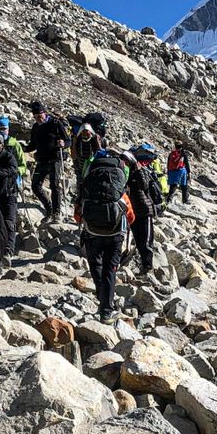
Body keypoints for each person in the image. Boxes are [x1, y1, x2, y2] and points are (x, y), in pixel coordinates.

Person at [75, 144, 137, 320]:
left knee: (95, 265)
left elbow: (77, 216)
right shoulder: (120, 192)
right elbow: (131, 217)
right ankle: (106, 311)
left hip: (92, 233)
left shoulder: (88, 190)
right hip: (115, 234)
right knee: (110, 270)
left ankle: (101, 294)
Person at [25, 100, 70, 220]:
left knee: (54, 185)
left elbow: (68, 141)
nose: (38, 119)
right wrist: (22, 148)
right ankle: (49, 209)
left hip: (55, 159)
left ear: (44, 113)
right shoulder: (35, 127)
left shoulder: (55, 124)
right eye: (35, 117)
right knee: (35, 186)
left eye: (39, 116)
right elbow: (33, 145)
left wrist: (63, 144)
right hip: (42, 160)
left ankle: (56, 213)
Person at [124, 142, 164, 274]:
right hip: (134, 209)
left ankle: (147, 267)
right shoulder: (129, 171)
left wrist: (138, 169)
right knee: (140, 239)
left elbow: (144, 186)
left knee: (146, 240)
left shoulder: (142, 170)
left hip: (145, 209)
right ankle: (145, 266)